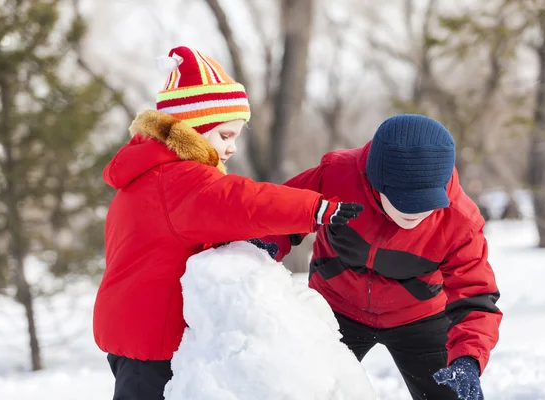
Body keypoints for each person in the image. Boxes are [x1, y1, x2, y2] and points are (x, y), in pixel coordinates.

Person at [92, 45, 364, 400]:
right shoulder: (179, 180)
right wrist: (315, 209)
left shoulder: (145, 176)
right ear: (191, 131)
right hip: (151, 338)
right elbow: (244, 201)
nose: (232, 148)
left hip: (133, 327)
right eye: (225, 135)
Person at [261, 114, 502, 400]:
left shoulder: (459, 220)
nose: (414, 213)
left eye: (426, 204)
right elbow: (279, 213)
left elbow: (475, 296)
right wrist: (258, 249)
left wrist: (468, 359)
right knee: (304, 391)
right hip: (335, 309)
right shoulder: (337, 176)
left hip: (420, 317)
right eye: (404, 201)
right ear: (374, 179)